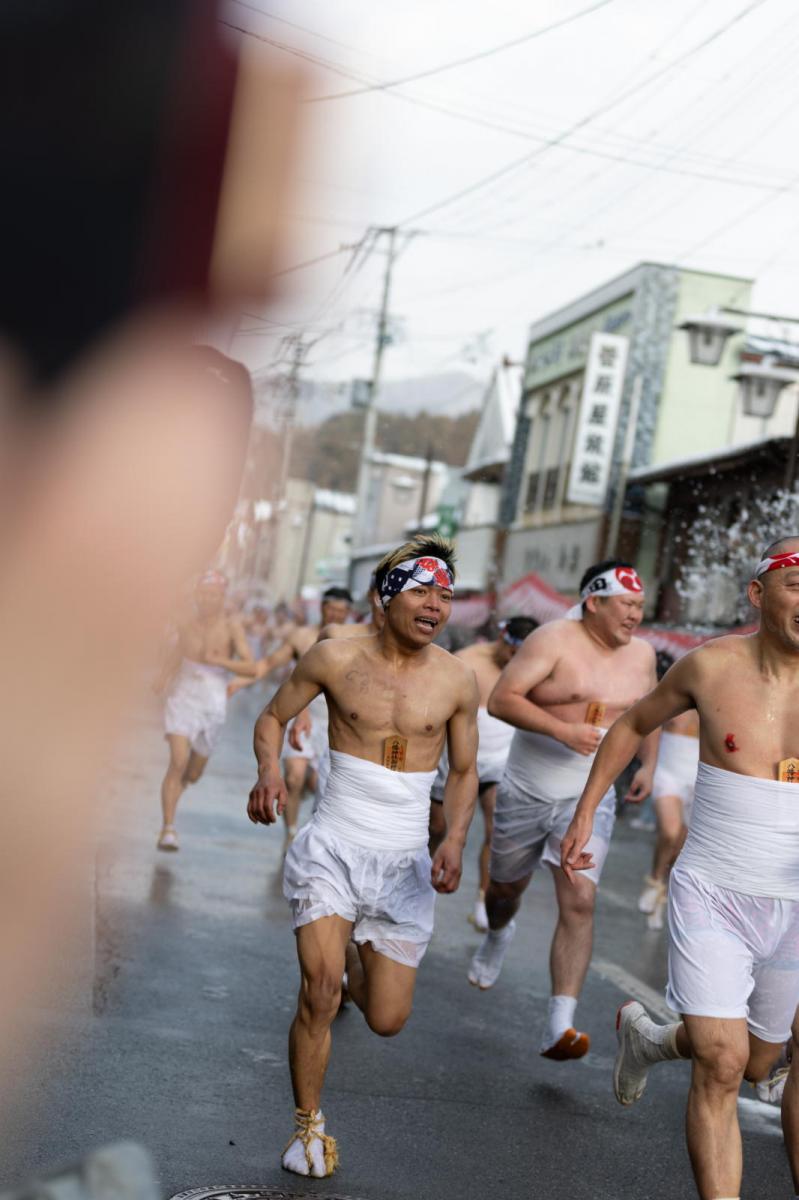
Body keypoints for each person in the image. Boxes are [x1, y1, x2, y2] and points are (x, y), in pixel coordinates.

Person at [560, 536, 799, 1200]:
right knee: (721, 1064)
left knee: (757, 1060)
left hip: (793, 901)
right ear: (758, 593)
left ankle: (651, 1040)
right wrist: (586, 809)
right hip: (712, 892)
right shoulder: (710, 667)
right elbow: (633, 722)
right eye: (796, 584)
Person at [247, 535, 479, 1177]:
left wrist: (455, 837)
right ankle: (308, 1129)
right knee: (319, 993)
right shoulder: (332, 658)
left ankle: (356, 947)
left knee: (386, 1019)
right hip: (333, 849)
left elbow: (464, 772)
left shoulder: (458, 679)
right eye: (423, 590)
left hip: (404, 866)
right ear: (386, 597)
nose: (436, 604)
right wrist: (269, 770)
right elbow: (271, 717)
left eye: (445, 595)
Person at [467, 560, 658, 1061]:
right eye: (627, 605)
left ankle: (559, 1023)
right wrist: (562, 730)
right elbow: (502, 699)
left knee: (579, 900)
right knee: (504, 889)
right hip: (527, 789)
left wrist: (648, 765)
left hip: (589, 796)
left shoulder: (640, 654)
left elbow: (649, 711)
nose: (636, 615)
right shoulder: (552, 640)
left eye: (640, 606)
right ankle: (498, 931)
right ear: (594, 602)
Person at [429, 616, 538, 930]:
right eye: (513, 654)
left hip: (500, 755)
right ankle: (424, 883)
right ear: (503, 640)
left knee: (495, 826)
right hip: (456, 752)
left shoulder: (532, 667)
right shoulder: (467, 661)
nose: (516, 662)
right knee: (437, 827)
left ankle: (481, 898)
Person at [233, 586, 352, 845]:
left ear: (349, 613)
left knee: (316, 784)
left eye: (342, 611)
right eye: (331, 608)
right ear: (322, 608)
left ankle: (313, 821)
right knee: (293, 776)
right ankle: (291, 833)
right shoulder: (302, 636)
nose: (335, 615)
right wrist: (241, 681)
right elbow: (271, 662)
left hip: (335, 722)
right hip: (301, 711)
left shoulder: (353, 641)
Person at [154, 569, 256, 851]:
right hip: (183, 693)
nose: (207, 599)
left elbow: (251, 666)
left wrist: (224, 661)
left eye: (213, 595)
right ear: (197, 595)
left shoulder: (231, 626)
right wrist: (164, 676)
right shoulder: (187, 621)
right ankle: (168, 828)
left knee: (193, 772)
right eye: (203, 594)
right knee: (177, 760)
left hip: (212, 697)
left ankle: (178, 788)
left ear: (222, 597)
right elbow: (177, 652)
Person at [637, 650, 700, 930]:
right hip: (668, 775)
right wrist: (647, 766)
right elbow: (643, 726)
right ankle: (653, 878)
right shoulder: (672, 698)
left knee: (682, 847)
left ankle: (664, 890)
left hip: (698, 781)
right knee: (670, 832)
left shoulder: (714, 701)